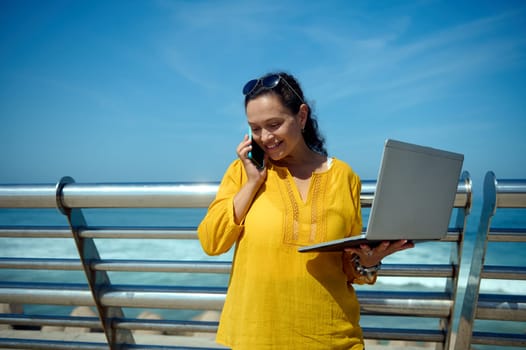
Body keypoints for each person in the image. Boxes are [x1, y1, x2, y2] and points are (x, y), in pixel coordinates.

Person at [197, 72, 414, 349]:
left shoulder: (344, 177)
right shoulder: (243, 172)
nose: (264, 137)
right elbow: (212, 242)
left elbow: (349, 269)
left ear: (301, 116)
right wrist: (253, 182)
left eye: (274, 124)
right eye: (255, 128)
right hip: (258, 339)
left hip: (332, 337)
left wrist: (370, 262)